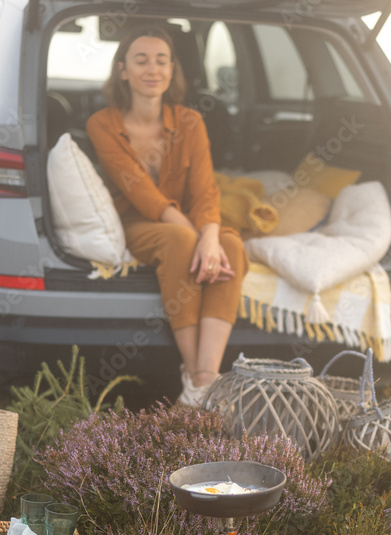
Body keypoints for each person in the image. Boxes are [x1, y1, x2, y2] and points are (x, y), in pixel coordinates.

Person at [86, 26, 247, 406]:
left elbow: (206, 191)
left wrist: (210, 238)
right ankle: (196, 380)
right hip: (137, 223)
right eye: (141, 60)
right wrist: (198, 238)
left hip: (190, 220)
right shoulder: (102, 124)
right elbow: (141, 195)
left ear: (173, 70)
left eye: (162, 60)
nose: (152, 69)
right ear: (122, 70)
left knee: (231, 246)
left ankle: (204, 379)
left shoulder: (190, 121)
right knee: (182, 239)